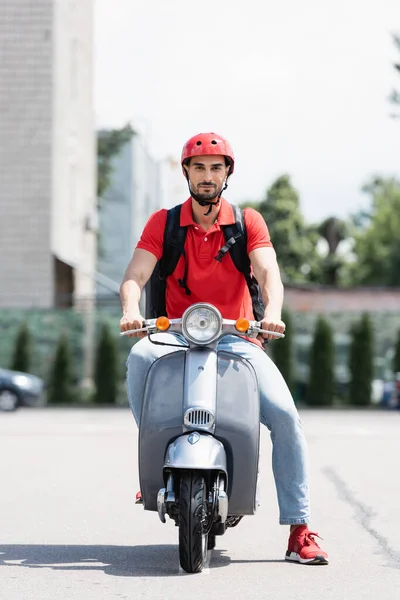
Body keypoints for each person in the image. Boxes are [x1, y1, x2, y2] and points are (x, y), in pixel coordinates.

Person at [120, 132, 329, 565]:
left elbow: (269, 271)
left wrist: (271, 310)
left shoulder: (247, 222)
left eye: (217, 167)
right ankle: (154, 460)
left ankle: (300, 529)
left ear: (227, 174)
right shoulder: (164, 222)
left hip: (238, 335)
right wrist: (128, 309)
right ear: (186, 173)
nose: (208, 176)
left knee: (286, 416)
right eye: (199, 168)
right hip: (176, 331)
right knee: (140, 357)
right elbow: (135, 275)